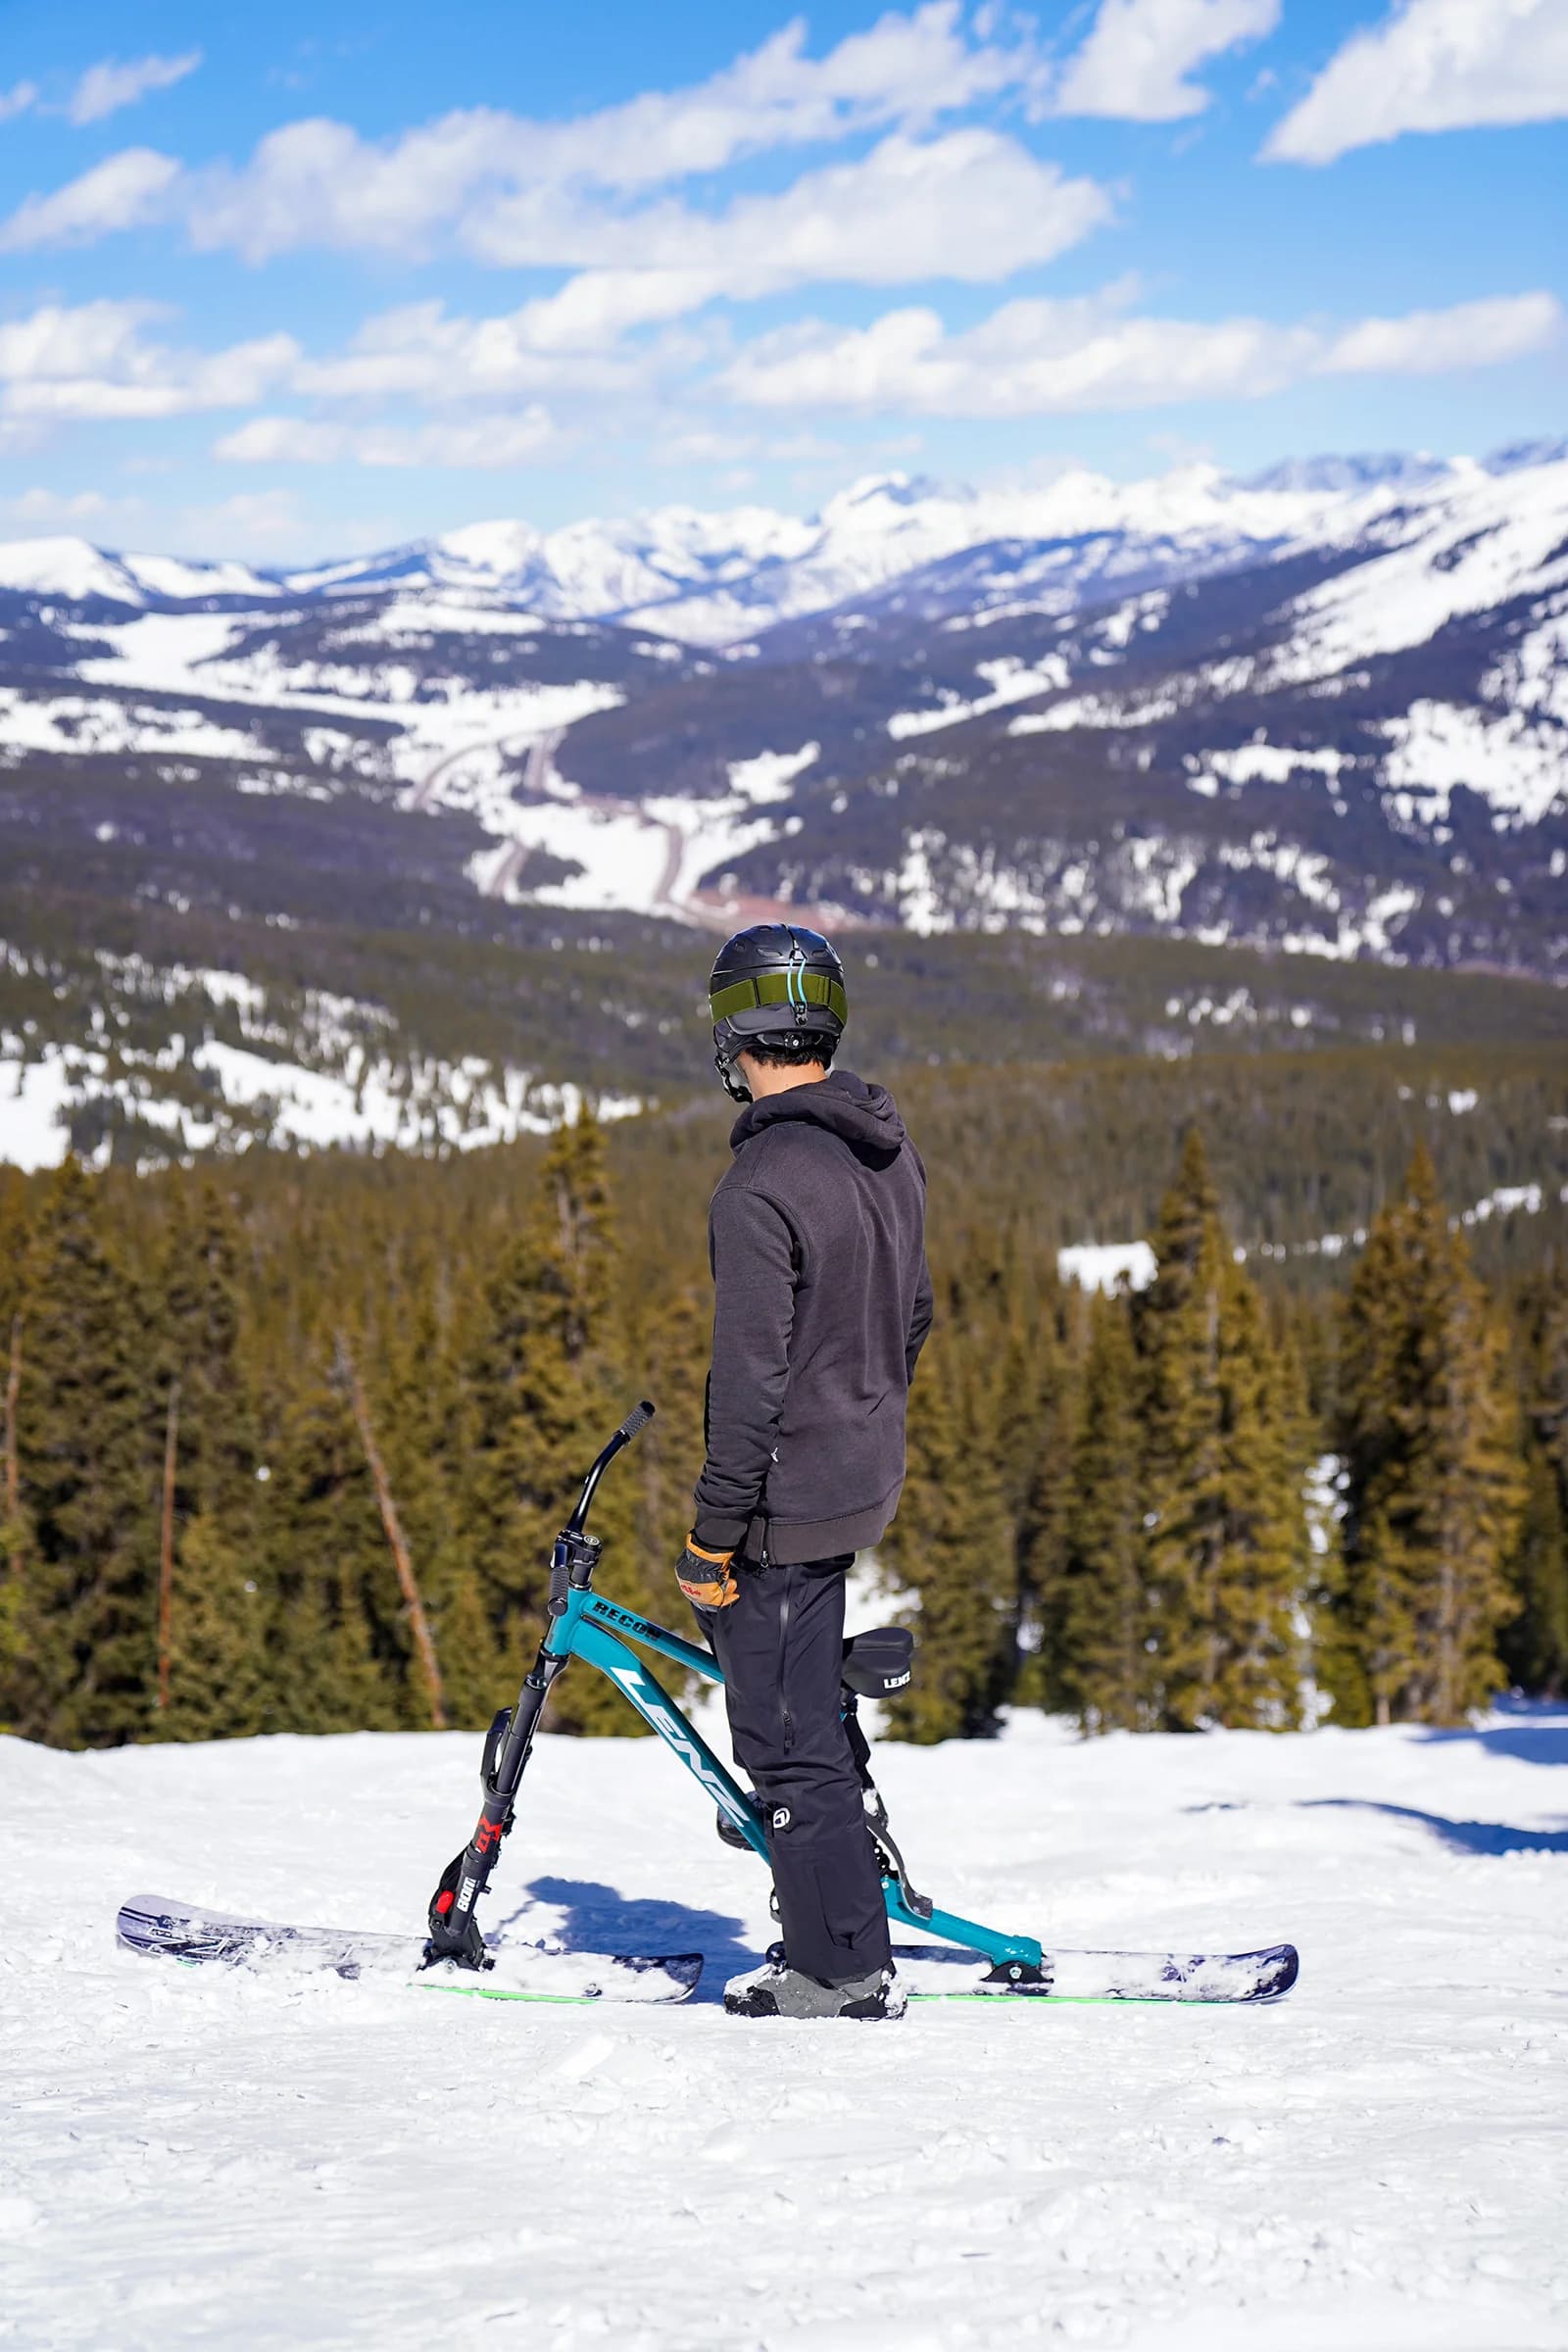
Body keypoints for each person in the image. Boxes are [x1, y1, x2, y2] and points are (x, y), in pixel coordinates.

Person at [675, 922, 933, 2020]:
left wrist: (710, 1534)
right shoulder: (883, 1144)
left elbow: (746, 1389)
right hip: (858, 1473)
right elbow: (912, 1313)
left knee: (784, 1750)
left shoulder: (758, 1185)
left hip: (785, 1500)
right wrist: (862, 1411)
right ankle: (826, 1868)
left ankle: (838, 1969)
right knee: (798, 1704)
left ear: (738, 1032)